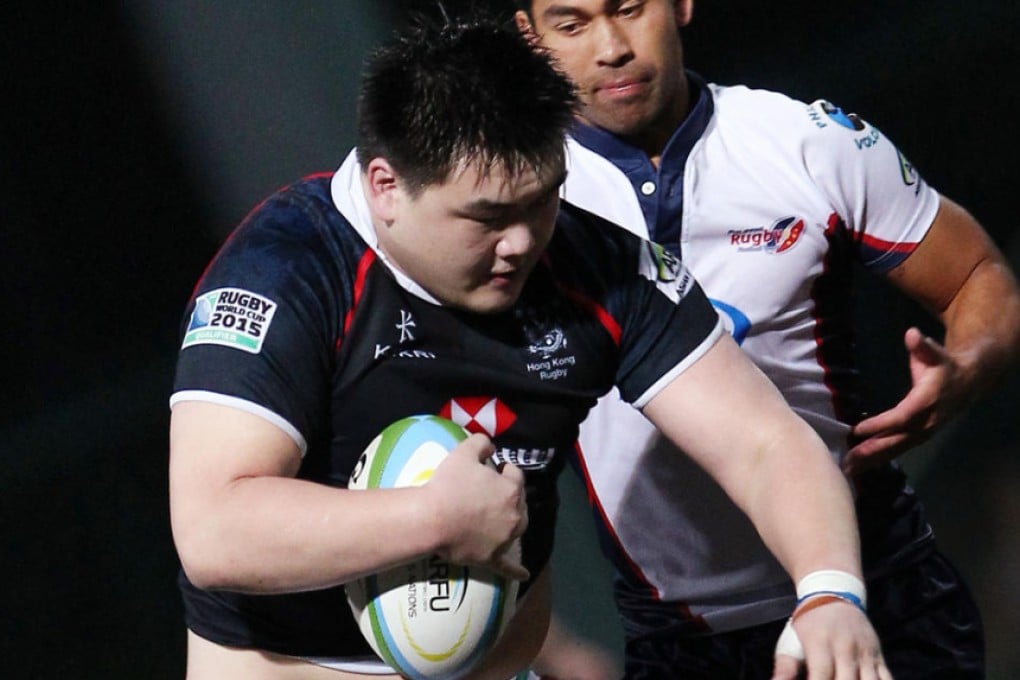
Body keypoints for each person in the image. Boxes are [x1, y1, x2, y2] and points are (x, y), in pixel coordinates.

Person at [169, 11, 895, 680]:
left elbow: (765, 443)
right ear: (386, 186)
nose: (521, 242)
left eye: (542, 198)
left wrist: (829, 588)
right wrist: (436, 520)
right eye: (486, 217)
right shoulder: (286, 271)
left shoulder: (600, 265)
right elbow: (213, 530)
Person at [512, 1, 1020, 678]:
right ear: (531, 38)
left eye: (629, 9)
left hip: (879, 590)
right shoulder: (509, 197)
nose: (611, 47)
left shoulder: (805, 141)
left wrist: (968, 364)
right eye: (571, 24)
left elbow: (981, 278)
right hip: (680, 640)